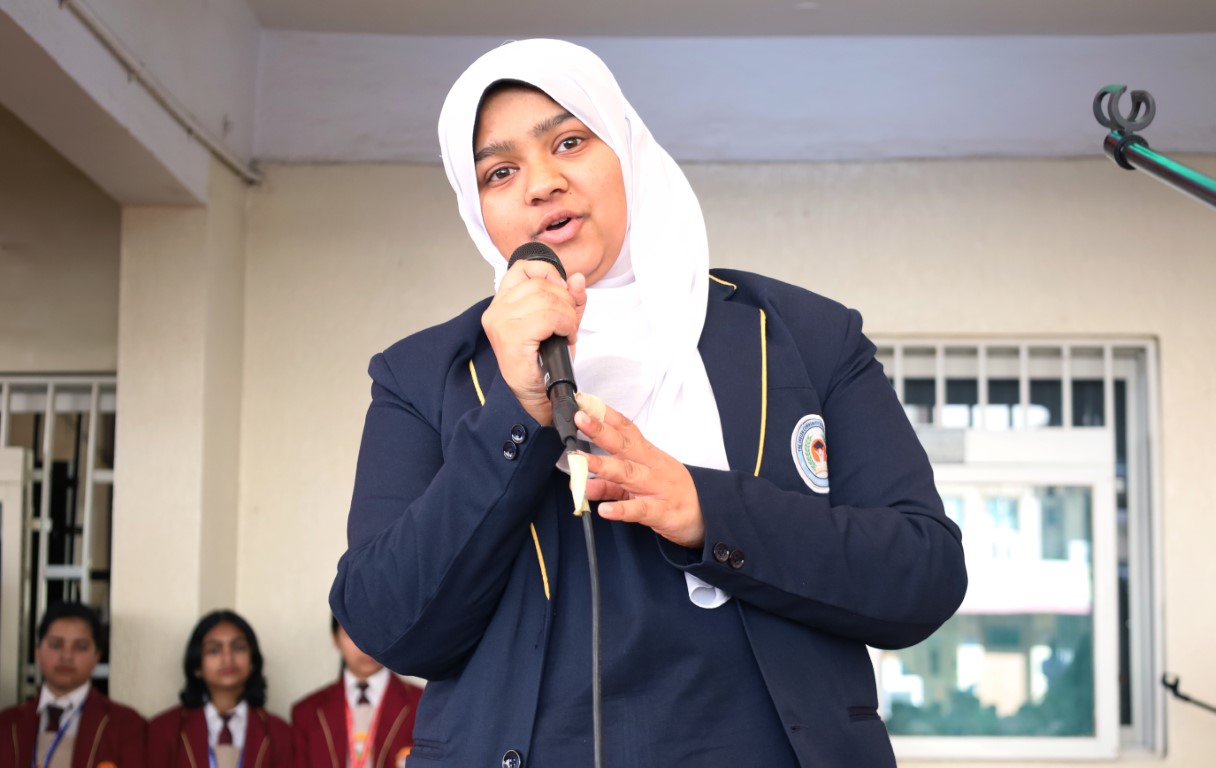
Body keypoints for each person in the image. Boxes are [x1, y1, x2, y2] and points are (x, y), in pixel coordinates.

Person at [330, 38, 968, 767]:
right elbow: (388, 623)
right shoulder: (423, 375)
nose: (542, 184)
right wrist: (516, 412)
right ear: (476, 209)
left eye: (570, 142)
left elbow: (923, 575)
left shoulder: (805, 337)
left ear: (627, 149)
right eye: (500, 172)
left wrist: (707, 511)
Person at [0, 601, 146, 767]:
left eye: (80, 647)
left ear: (97, 657)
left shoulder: (126, 725)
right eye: (56, 644)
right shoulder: (6, 724)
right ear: (38, 652)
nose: (67, 656)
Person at [147, 610, 291, 767]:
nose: (227, 658)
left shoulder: (279, 732)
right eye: (214, 650)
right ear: (197, 666)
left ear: (252, 662)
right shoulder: (164, 729)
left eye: (238, 647)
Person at [291, 617, 423, 767]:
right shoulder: (307, 713)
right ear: (335, 639)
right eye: (353, 634)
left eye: (374, 633)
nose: (364, 645)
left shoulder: (421, 704)